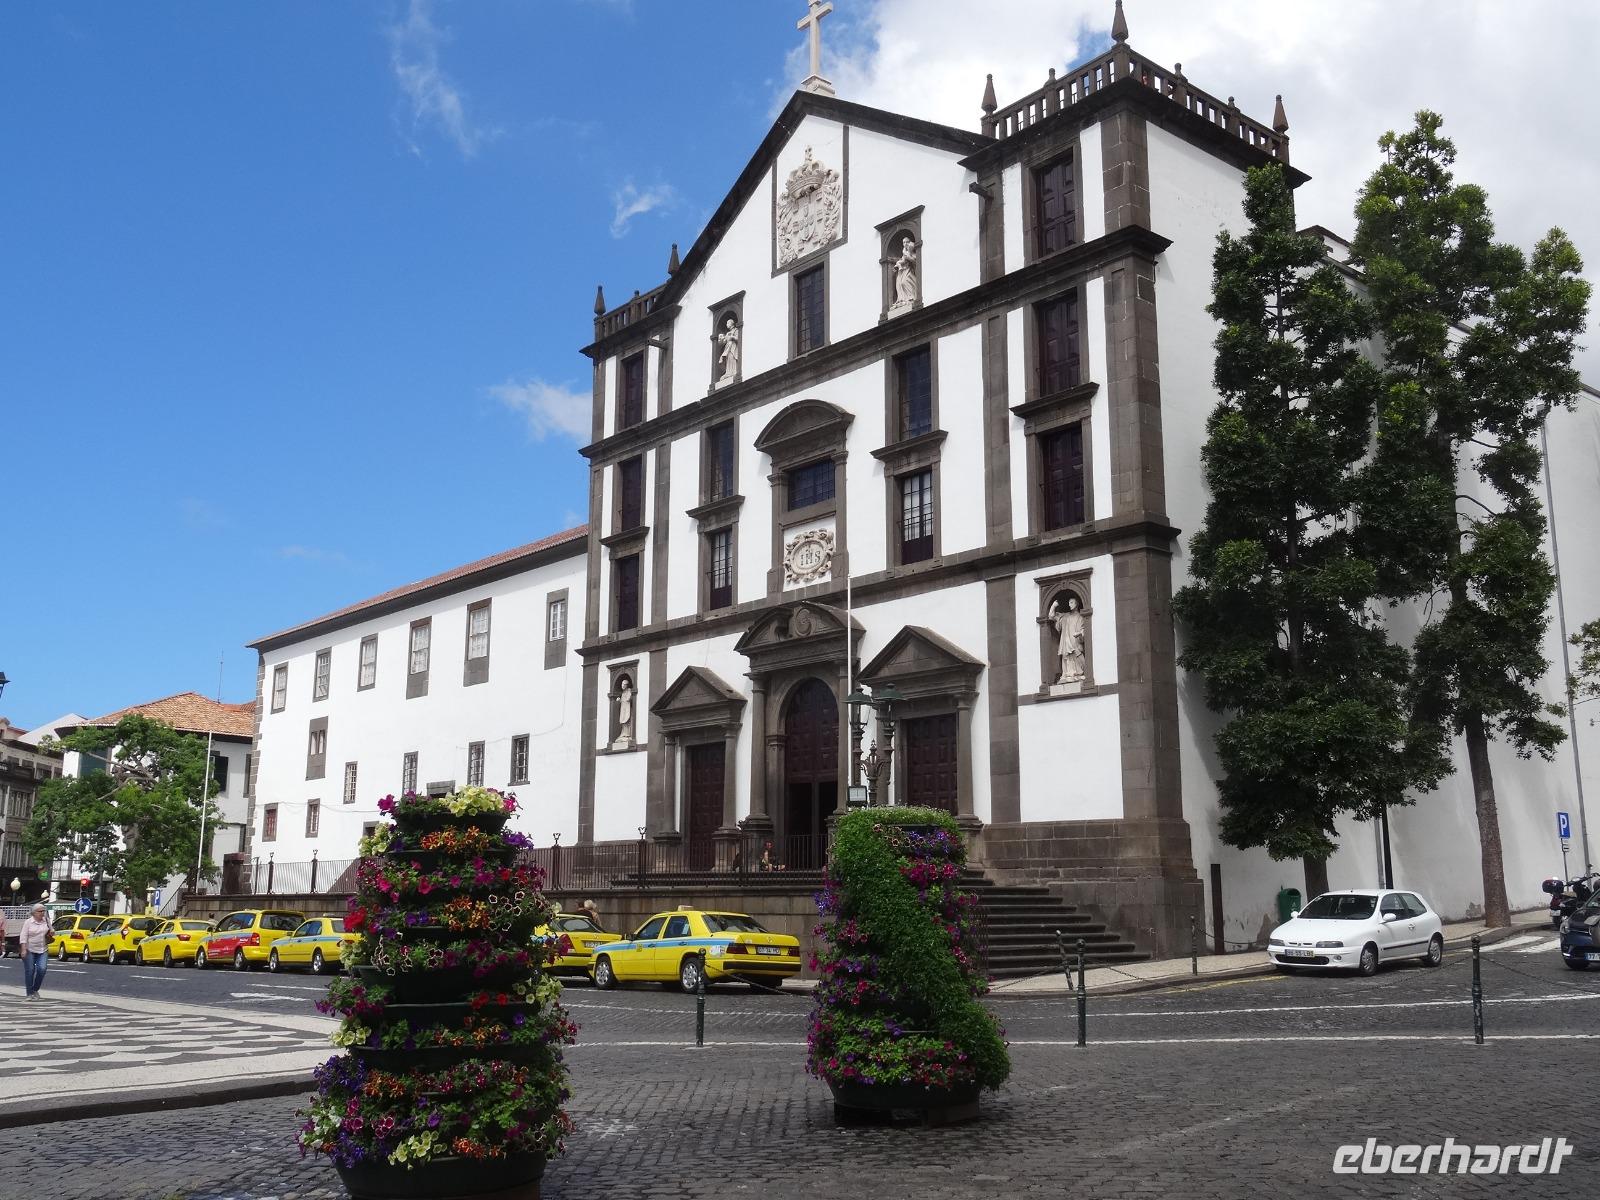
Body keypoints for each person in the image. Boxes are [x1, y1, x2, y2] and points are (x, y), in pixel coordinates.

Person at [19, 903, 50, 999]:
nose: (42, 913)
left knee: (42, 969)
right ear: (34, 913)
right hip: (30, 949)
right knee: (30, 970)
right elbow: (23, 936)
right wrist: (23, 949)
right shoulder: (28, 922)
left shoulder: (46, 921)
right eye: (40, 911)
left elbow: (52, 931)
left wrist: (52, 933)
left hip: (43, 949)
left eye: (43, 911)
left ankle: (35, 989)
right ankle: (29, 993)